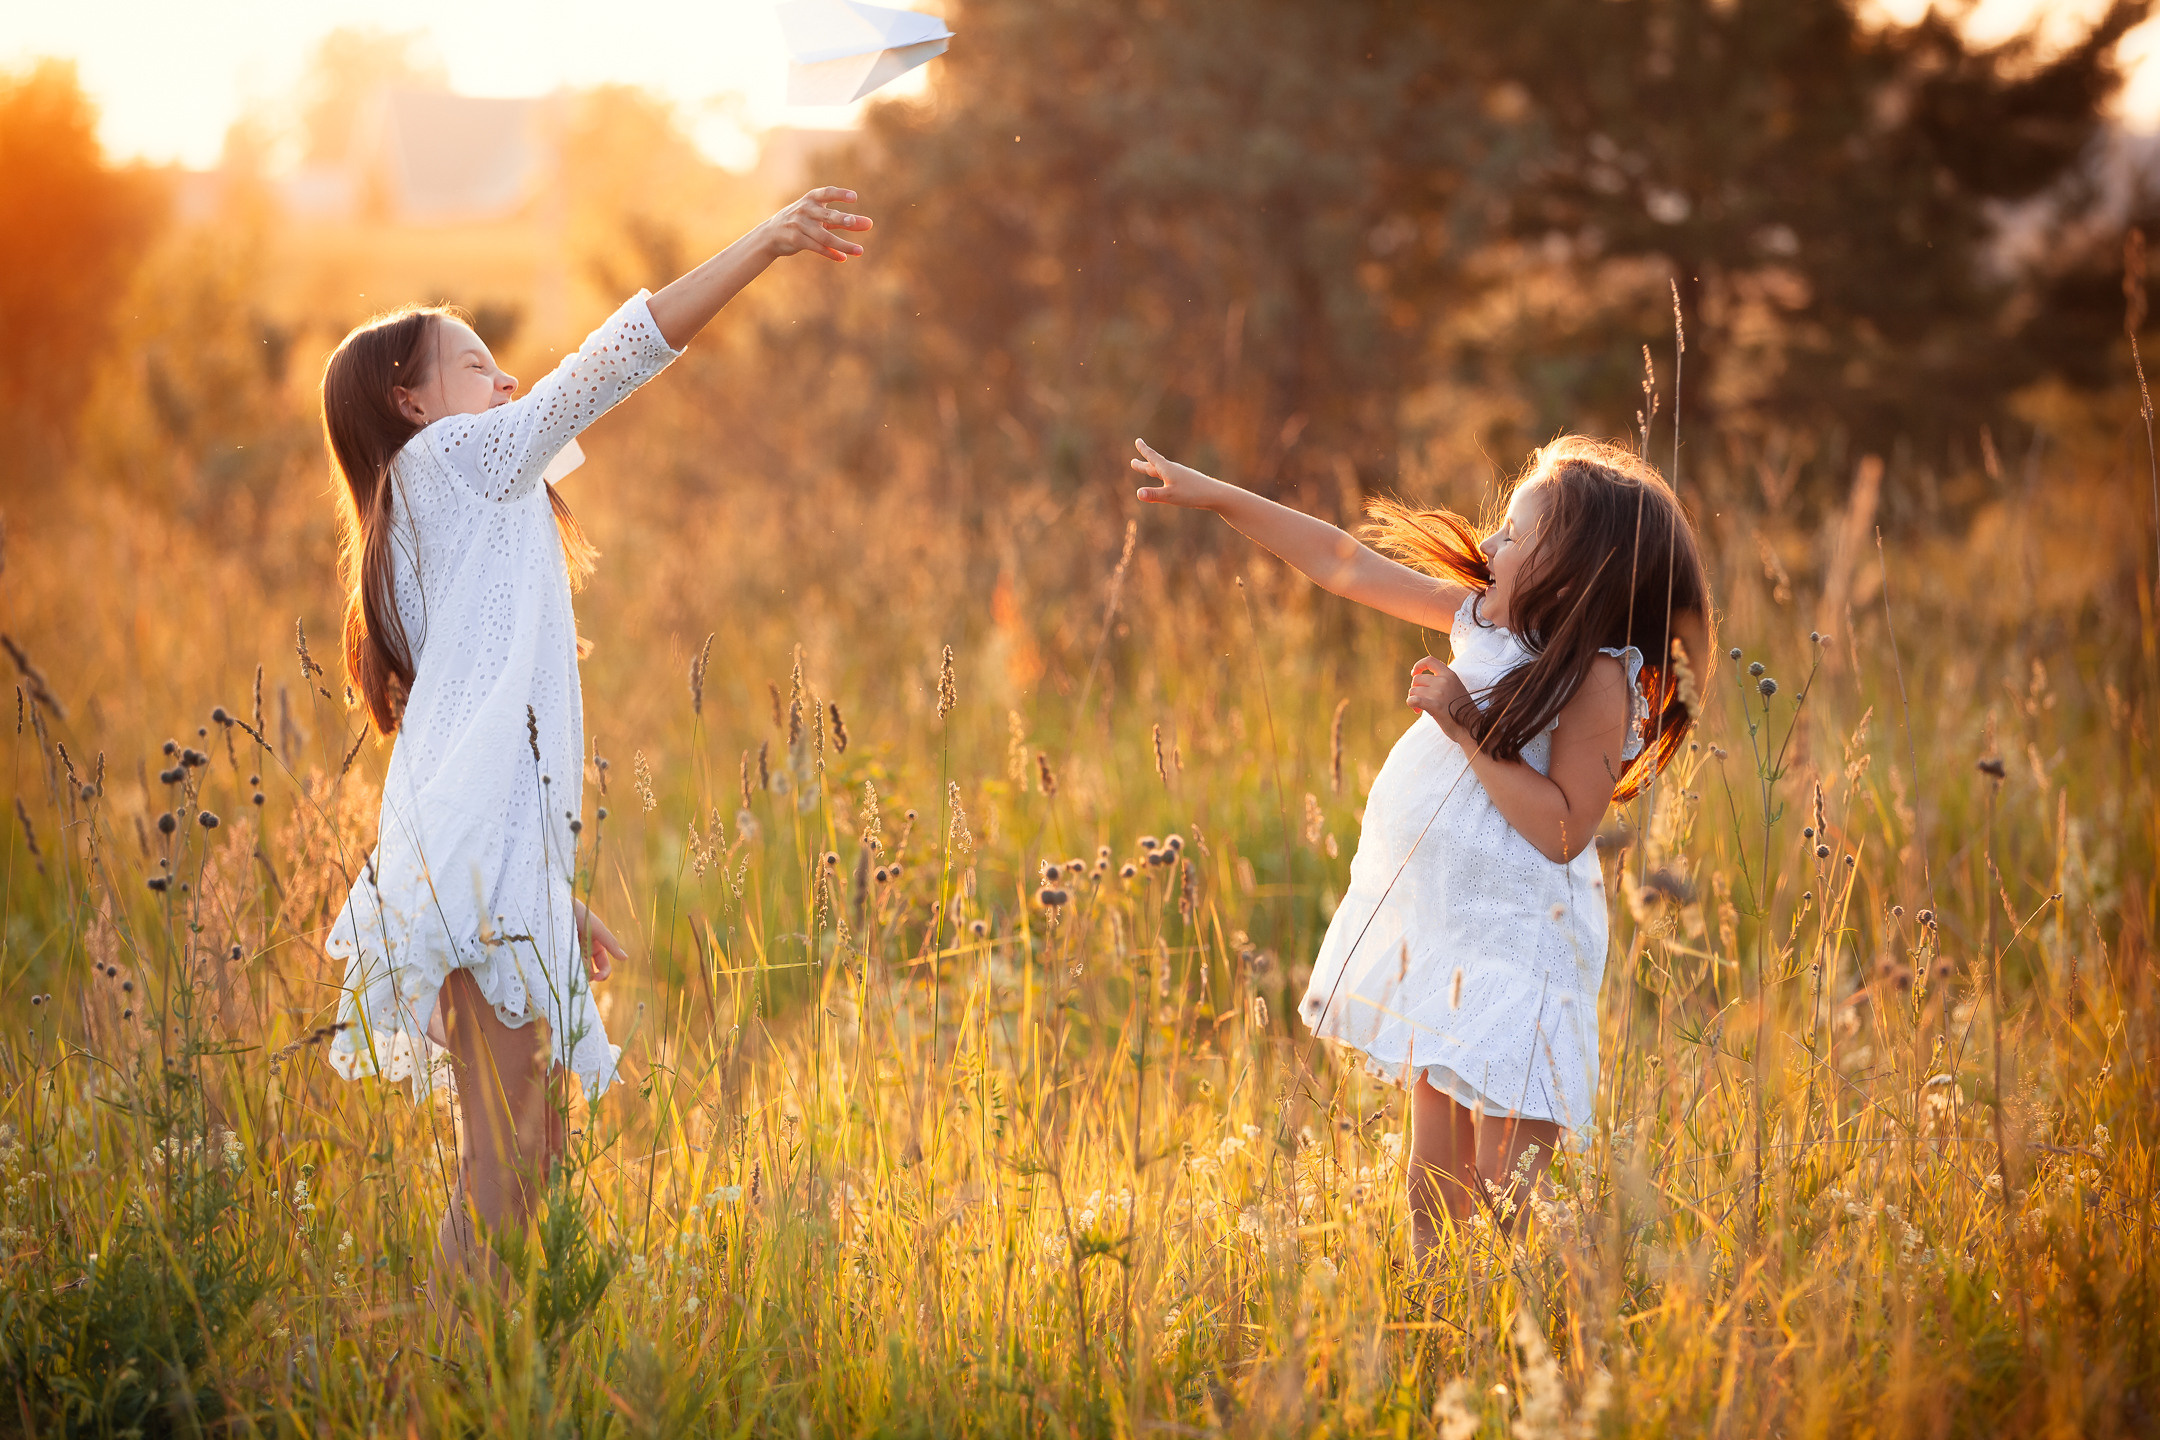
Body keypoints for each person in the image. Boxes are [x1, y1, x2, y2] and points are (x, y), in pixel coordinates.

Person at [316, 187, 874, 1303]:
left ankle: (482, 1376)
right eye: (476, 366)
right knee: (506, 1159)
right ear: (409, 400)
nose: (507, 383)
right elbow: (611, 361)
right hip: (479, 868)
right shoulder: (446, 468)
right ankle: (442, 1391)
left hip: (491, 863)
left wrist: (550, 891)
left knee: (529, 1154)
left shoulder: (443, 504)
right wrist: (764, 242)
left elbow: (478, 733)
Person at [1128, 434, 1711, 1265]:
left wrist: (1465, 727)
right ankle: (1438, 1315)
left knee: (1512, 1197)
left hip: (1520, 954)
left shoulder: (1595, 679)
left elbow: (1560, 829)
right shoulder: (1484, 620)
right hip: (1446, 937)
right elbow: (1343, 563)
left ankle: (1550, 1328)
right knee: (1432, 1186)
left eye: (1515, 535)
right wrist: (1215, 492)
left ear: (1574, 568)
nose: (1492, 545)